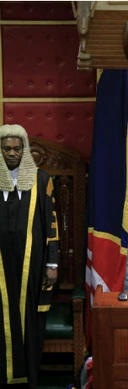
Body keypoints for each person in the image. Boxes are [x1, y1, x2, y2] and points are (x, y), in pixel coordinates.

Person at [0, 124, 59, 389]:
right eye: (6, 148)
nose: (11, 153)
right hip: (1, 266)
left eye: (16, 148)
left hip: (31, 265)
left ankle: (28, 380)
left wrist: (52, 263)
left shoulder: (42, 180)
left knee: (28, 317)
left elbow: (52, 224)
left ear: (24, 150)